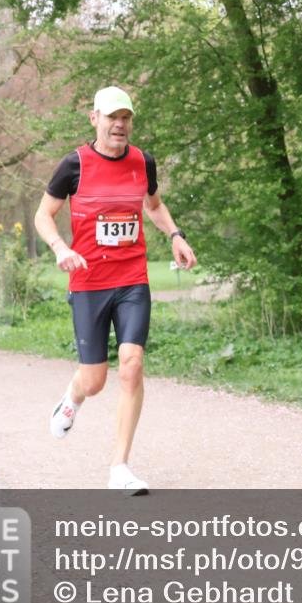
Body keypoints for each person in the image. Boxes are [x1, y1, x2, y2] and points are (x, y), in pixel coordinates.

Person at [34, 86, 196, 495]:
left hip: (131, 280)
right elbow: (43, 215)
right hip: (88, 282)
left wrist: (175, 234)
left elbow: (153, 204)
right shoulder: (74, 164)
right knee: (95, 381)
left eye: (125, 117)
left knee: (132, 364)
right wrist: (60, 247)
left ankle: (119, 467)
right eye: (111, 117)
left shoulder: (143, 161)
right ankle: (73, 396)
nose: (119, 124)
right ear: (95, 119)